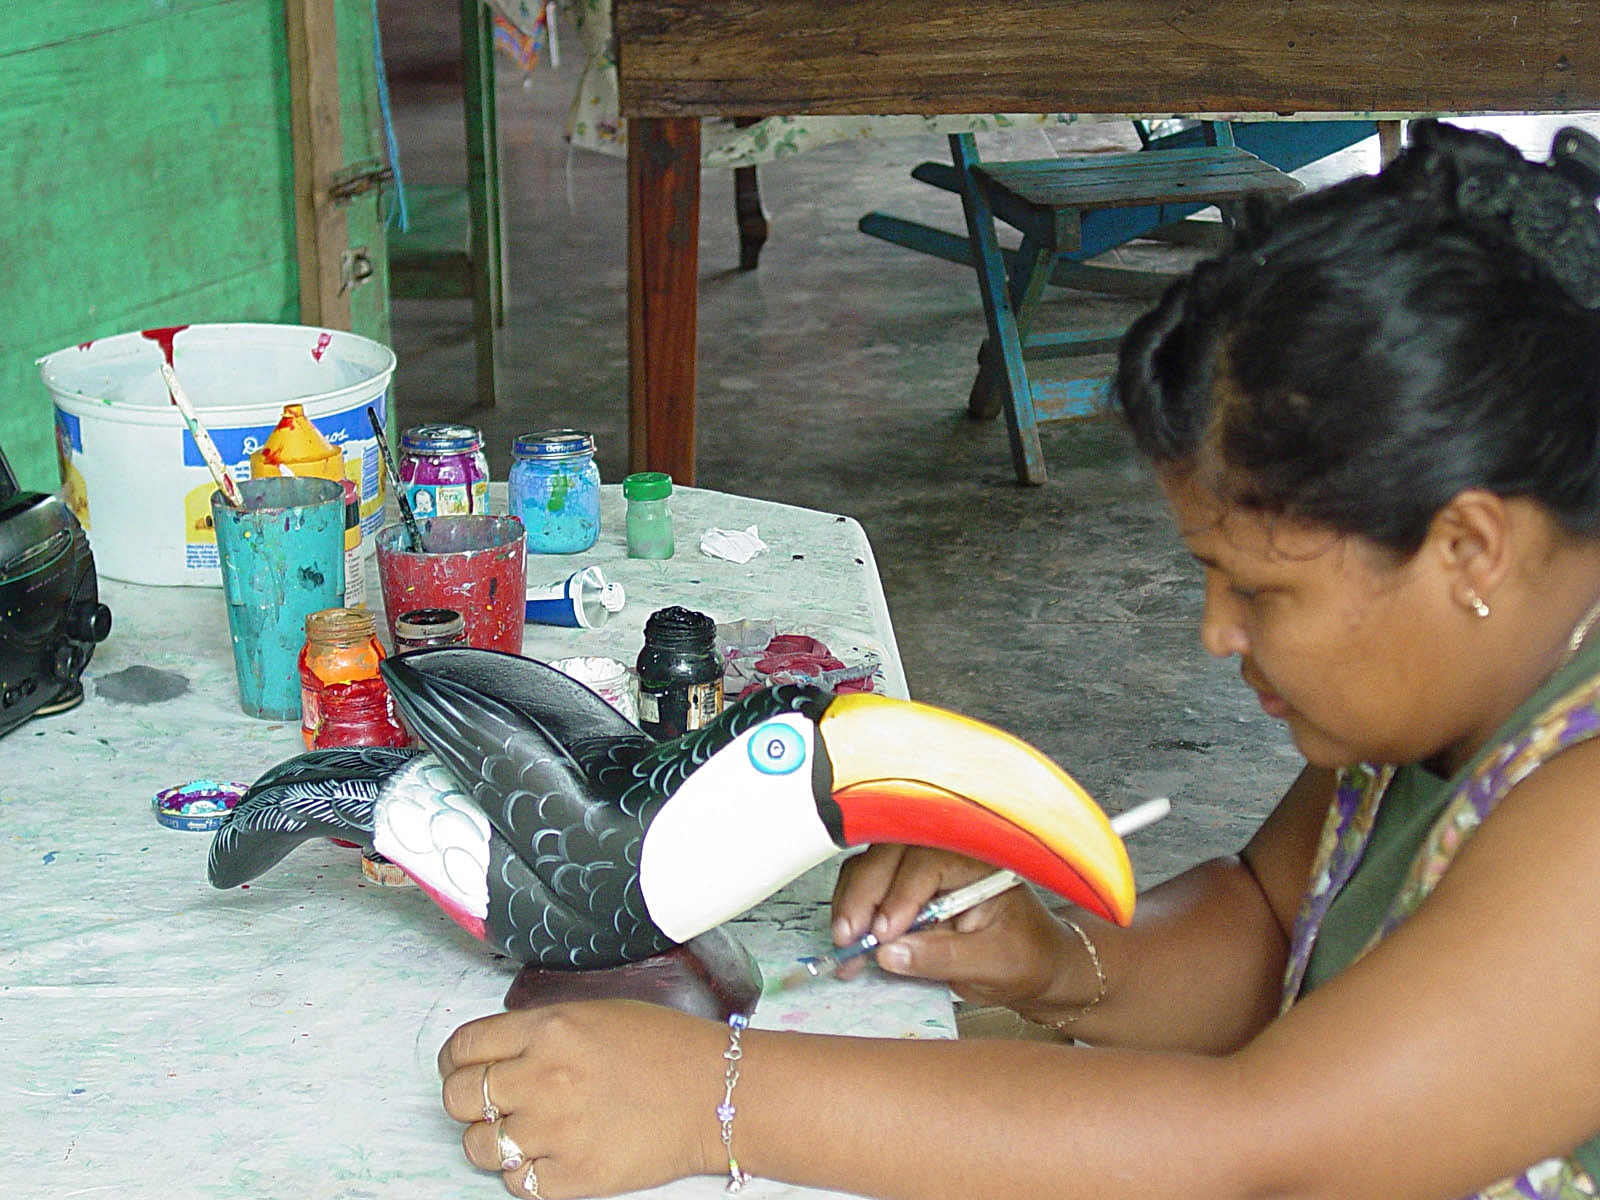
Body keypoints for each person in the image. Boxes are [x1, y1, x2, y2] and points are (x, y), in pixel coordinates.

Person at [436, 119, 1600, 1200]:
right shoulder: (1448, 692)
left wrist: (713, 1097)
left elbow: (1260, 1147)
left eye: (1259, 588)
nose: (1215, 632)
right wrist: (1052, 960)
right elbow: (1263, 927)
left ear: (1468, 549)